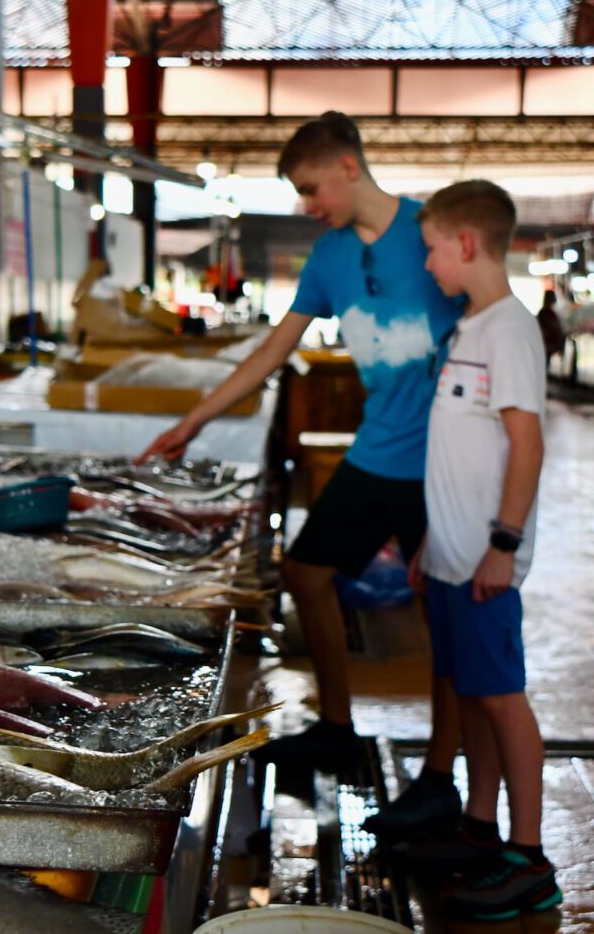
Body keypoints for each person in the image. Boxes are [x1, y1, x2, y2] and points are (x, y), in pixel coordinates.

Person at [135, 111, 463, 834]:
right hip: (378, 451)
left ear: (349, 166)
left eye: (311, 189)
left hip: (445, 463)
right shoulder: (328, 259)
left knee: (446, 616)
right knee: (307, 569)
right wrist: (194, 419)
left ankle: (441, 775)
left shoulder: (433, 230)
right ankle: (339, 724)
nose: (307, 205)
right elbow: (269, 353)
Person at [406, 180, 560, 920]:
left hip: (484, 563)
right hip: (451, 555)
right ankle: (479, 826)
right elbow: (460, 452)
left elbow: (525, 446)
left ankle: (528, 859)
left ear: (466, 244)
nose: (428, 263)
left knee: (502, 700)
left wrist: (502, 545)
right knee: (472, 694)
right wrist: (435, 542)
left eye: (432, 248)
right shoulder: (468, 328)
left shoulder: (509, 329)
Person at [536, 289, 564, 373]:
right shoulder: (549, 313)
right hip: (547, 344)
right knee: (544, 366)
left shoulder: (543, 312)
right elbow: (556, 328)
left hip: (544, 343)